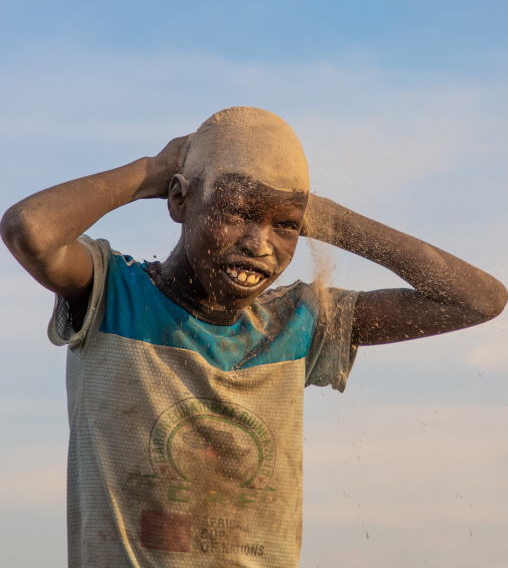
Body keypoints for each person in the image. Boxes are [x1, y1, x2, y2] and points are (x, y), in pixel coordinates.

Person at [1, 106, 506, 568]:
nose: (260, 243)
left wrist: (325, 217)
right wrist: (153, 170)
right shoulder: (114, 293)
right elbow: (29, 228)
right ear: (180, 200)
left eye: (285, 224)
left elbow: (477, 299)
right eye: (239, 211)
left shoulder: (297, 322)